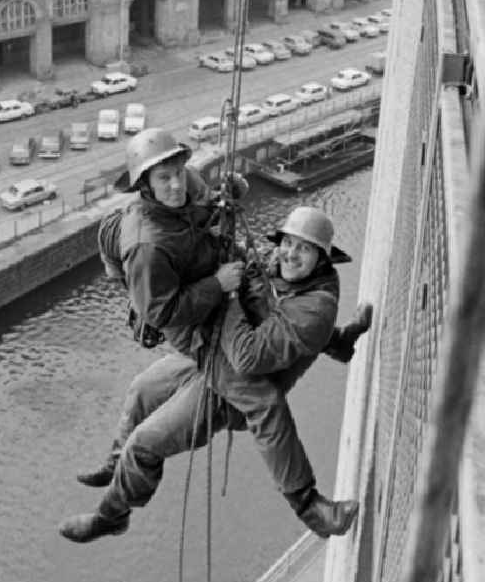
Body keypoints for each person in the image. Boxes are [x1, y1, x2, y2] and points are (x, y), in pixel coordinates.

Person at [59, 128, 370, 544]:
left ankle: (112, 512)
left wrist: (231, 192)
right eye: (163, 178)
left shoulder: (188, 190)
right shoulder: (148, 247)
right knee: (147, 390)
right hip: (202, 326)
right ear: (144, 185)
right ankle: (118, 471)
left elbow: (270, 332)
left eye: (177, 172)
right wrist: (223, 287)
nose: (175, 184)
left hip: (219, 339)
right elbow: (163, 312)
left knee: (163, 435)